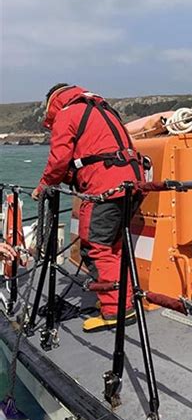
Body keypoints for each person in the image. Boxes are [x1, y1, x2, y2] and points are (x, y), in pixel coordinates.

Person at [32, 84, 145, 332]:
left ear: (53, 102)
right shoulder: (104, 110)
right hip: (134, 183)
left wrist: (43, 186)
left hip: (105, 187)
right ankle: (122, 300)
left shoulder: (67, 113)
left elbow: (59, 159)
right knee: (113, 246)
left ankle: (116, 310)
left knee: (96, 246)